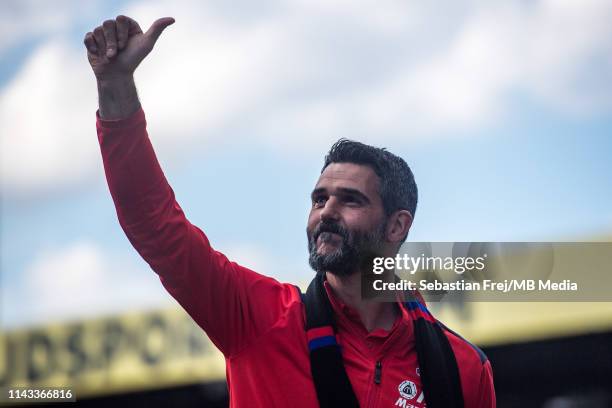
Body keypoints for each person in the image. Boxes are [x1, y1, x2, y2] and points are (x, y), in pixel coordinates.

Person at [85, 15, 495, 408]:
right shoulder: (256, 318)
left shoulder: (463, 369)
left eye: (350, 199)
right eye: (319, 199)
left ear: (396, 225)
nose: (326, 212)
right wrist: (115, 85)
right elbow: (153, 224)